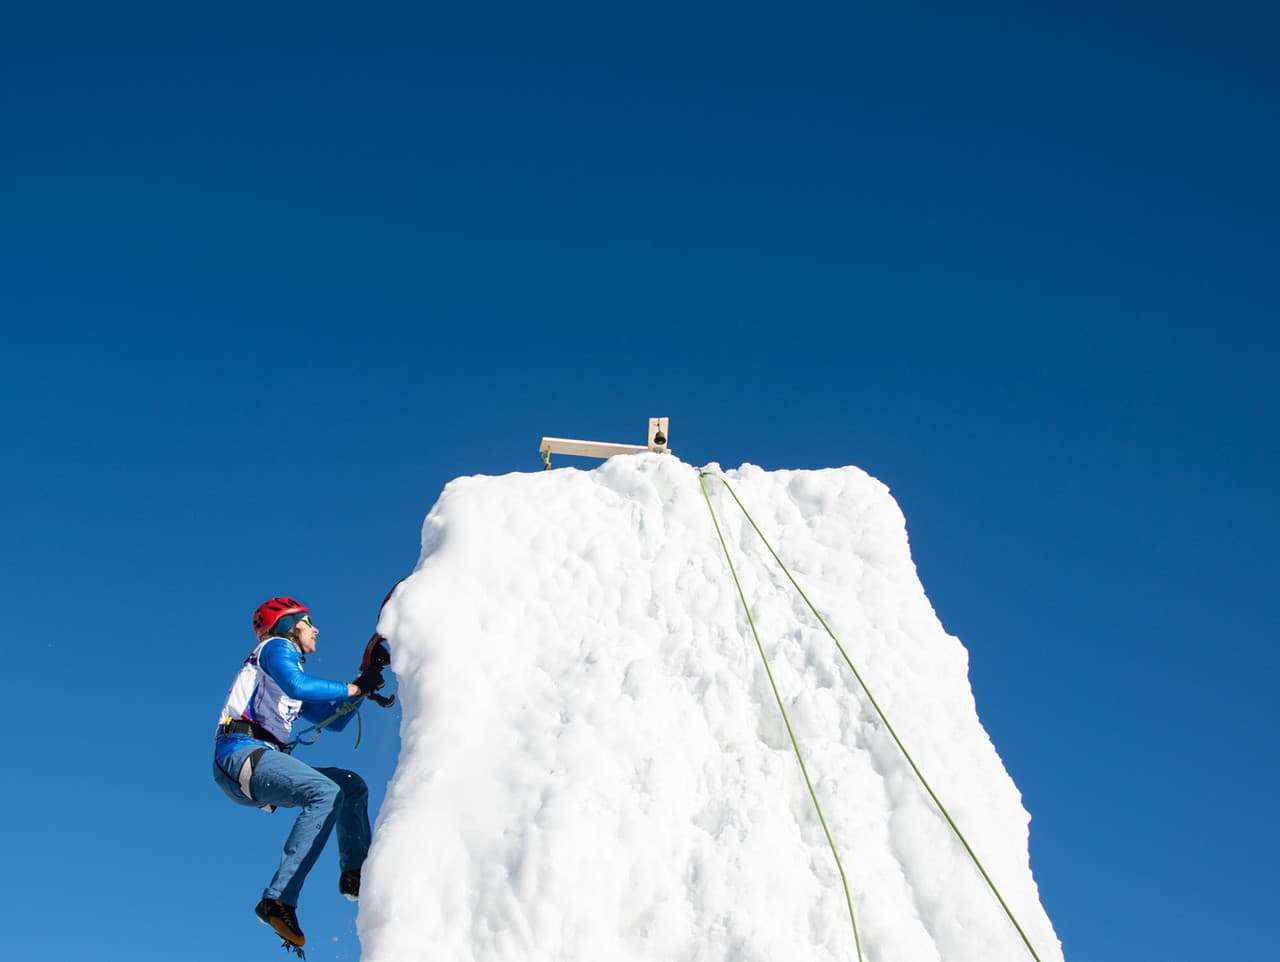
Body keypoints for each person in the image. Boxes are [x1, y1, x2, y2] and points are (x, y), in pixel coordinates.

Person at [213, 596, 387, 954]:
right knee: (325, 792)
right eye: (309, 622)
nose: (316, 629)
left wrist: (364, 681)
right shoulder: (275, 648)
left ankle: (355, 876)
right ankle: (278, 900)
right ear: (289, 627)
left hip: (257, 760)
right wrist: (354, 687)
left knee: (350, 786)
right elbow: (298, 687)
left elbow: (335, 720)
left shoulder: (288, 674)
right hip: (240, 754)